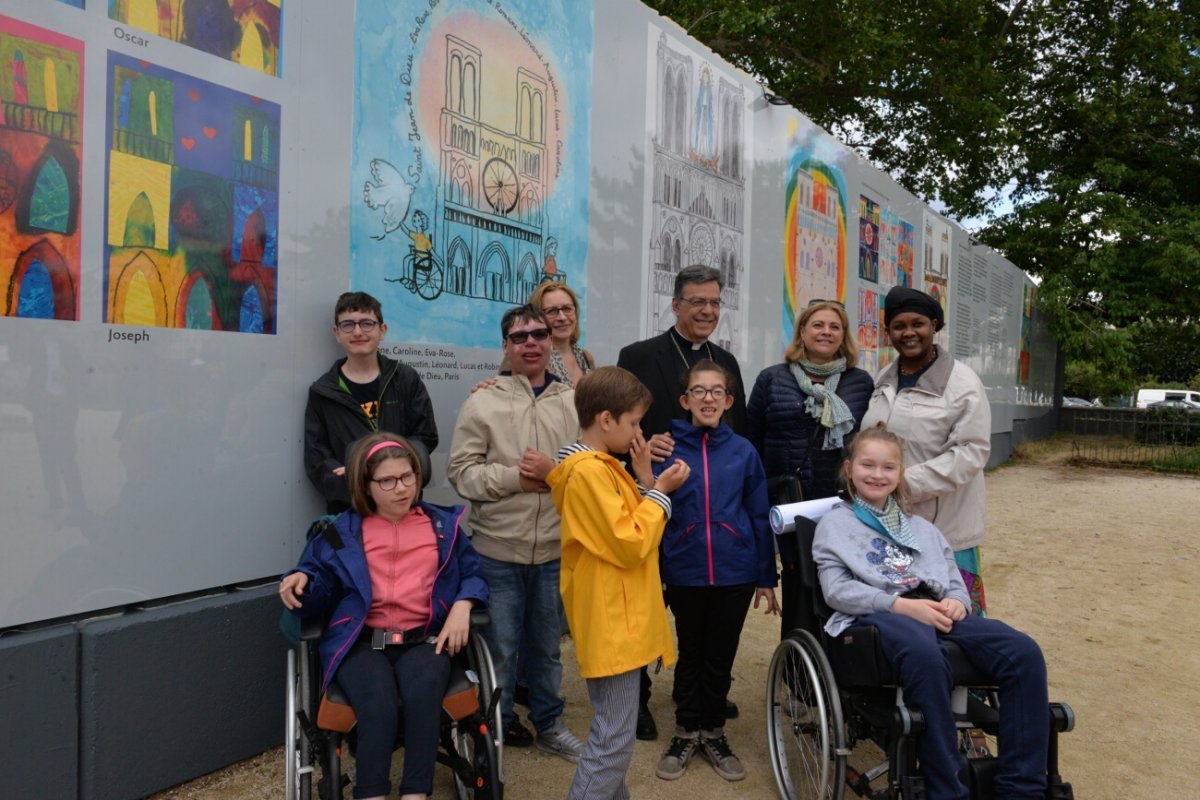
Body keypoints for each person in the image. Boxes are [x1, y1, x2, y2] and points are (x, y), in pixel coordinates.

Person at [814, 424, 1048, 799]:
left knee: (1023, 652)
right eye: (867, 465)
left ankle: (1022, 788)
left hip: (938, 610)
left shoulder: (922, 528)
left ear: (900, 473)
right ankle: (946, 789)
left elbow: (952, 578)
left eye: (888, 467)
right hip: (880, 614)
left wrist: (958, 601)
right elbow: (837, 591)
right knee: (925, 654)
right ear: (849, 469)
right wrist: (900, 605)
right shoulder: (835, 525)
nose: (877, 474)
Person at [279, 433, 488, 800]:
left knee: (424, 695)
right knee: (378, 702)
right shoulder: (340, 534)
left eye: (408, 476)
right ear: (366, 485)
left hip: (424, 640)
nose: (401, 488)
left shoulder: (443, 528)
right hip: (361, 643)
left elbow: (473, 573)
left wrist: (464, 604)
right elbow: (320, 585)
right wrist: (303, 581)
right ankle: (371, 793)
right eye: (387, 481)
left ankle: (415, 794)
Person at [545, 366, 691, 800]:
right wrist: (662, 491)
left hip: (617, 617)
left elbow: (623, 526)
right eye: (633, 422)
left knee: (615, 733)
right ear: (606, 420)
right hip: (613, 621)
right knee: (611, 739)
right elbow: (630, 542)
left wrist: (645, 478)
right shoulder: (590, 472)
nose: (638, 432)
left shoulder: (603, 468)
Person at [446, 304, 584, 760]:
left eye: (539, 334)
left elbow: (590, 468)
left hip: (553, 550)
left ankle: (549, 723)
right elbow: (461, 474)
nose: (531, 343)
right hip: (496, 551)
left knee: (547, 651)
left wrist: (558, 475)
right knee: (500, 650)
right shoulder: (483, 400)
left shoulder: (573, 401)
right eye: (520, 336)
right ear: (505, 346)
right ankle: (498, 727)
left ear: (551, 341)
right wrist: (515, 480)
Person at [616, 263, 747, 738]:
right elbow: (618, 423)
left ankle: (699, 692)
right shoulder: (639, 354)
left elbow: (739, 432)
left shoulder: (725, 362)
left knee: (703, 613)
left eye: (714, 302)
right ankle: (638, 700)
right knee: (646, 608)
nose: (708, 310)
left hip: (708, 511)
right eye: (698, 302)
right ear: (675, 304)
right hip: (651, 500)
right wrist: (644, 446)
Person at [649, 361, 778, 783]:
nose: (708, 398)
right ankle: (687, 730)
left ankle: (715, 732)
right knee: (690, 653)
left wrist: (765, 577)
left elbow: (759, 515)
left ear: (729, 401)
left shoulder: (743, 451)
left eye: (716, 391)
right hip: (684, 570)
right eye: (699, 391)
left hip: (735, 572)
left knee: (720, 655)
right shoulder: (666, 449)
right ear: (685, 400)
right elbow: (649, 506)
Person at [745, 299, 873, 635]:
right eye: (818, 325)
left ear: (843, 335)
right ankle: (797, 665)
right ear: (802, 331)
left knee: (839, 577)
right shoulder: (772, 378)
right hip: (788, 498)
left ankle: (837, 664)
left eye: (835, 326)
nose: (826, 332)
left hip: (840, 500)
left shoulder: (859, 382)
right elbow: (752, 438)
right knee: (796, 577)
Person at [863, 286, 992, 614]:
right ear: (888, 331)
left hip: (946, 529)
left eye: (917, 323)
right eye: (898, 325)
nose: (908, 333)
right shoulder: (884, 380)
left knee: (956, 616)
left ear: (934, 325)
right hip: (890, 524)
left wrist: (902, 484)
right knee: (905, 617)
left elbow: (970, 453)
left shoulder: (962, 385)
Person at [304, 292, 438, 514]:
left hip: (402, 506)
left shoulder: (405, 378)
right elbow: (317, 460)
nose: (357, 332)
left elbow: (425, 436)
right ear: (337, 334)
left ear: (382, 330)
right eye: (348, 325)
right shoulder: (322, 392)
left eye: (367, 323)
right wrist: (356, 481)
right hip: (350, 513)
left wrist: (389, 473)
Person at [530, 280, 595, 387]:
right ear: (536, 317)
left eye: (567, 309)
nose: (562, 317)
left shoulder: (586, 358)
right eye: (551, 311)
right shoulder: (526, 356)